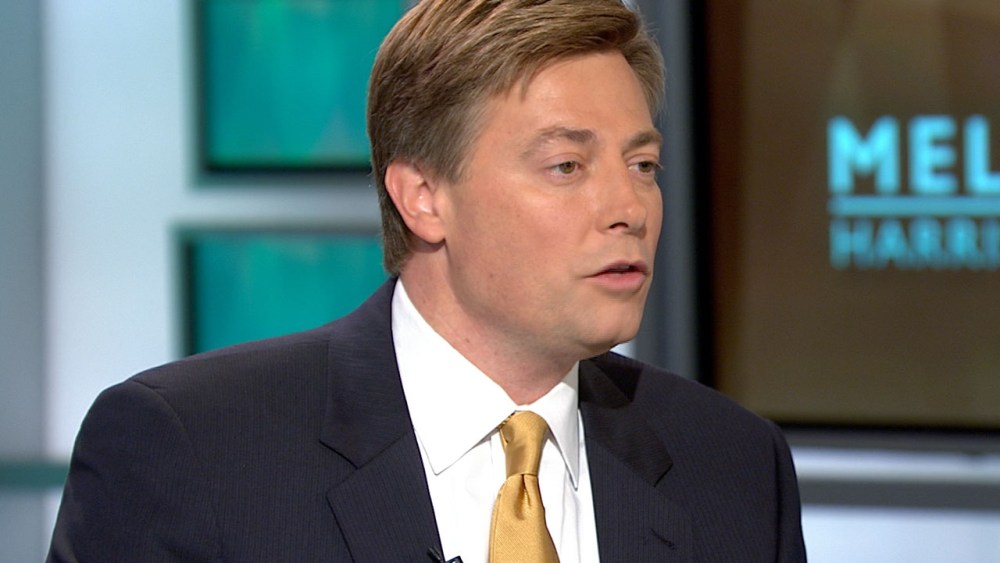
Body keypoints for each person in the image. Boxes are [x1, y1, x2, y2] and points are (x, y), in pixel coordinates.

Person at [48, 0, 806, 561]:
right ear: (424, 198)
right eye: (566, 166)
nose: (629, 208)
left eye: (642, 165)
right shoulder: (195, 450)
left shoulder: (732, 465)